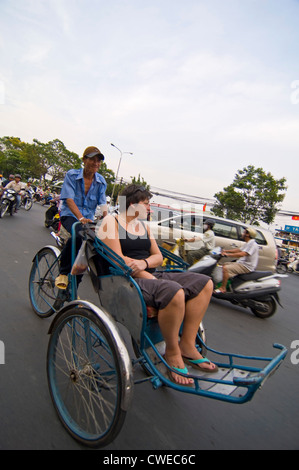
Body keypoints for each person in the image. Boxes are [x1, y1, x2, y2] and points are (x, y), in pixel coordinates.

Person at [97, 184, 217, 387]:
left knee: (205, 283)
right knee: (173, 291)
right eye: (146, 203)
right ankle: (172, 351)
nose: (149, 208)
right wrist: (148, 275)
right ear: (133, 204)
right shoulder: (111, 221)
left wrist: (145, 264)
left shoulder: (142, 226)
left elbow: (158, 257)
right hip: (127, 279)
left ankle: (187, 344)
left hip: (151, 272)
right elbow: (119, 260)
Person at [54, 146, 108, 306]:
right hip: (70, 215)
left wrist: (108, 220)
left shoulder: (101, 181)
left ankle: (73, 287)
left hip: (88, 220)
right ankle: (63, 273)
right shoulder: (72, 175)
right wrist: (81, 217)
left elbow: (103, 203)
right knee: (78, 234)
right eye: (92, 159)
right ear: (84, 160)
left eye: (98, 160)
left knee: (89, 250)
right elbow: (69, 199)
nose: (96, 163)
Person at [215, 227, 259, 293]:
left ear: (248, 234)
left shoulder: (252, 244)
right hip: (242, 263)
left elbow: (242, 254)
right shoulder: (248, 243)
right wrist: (226, 251)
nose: (242, 233)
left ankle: (223, 288)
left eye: (244, 232)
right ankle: (227, 283)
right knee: (224, 264)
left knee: (226, 268)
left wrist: (227, 255)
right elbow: (239, 250)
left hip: (247, 266)